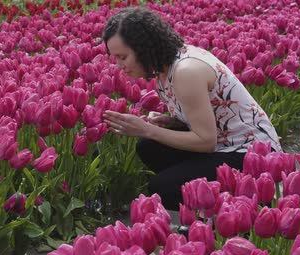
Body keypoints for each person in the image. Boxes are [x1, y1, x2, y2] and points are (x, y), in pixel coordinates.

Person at [102, 6, 282, 213]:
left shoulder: (186, 71)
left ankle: (243, 208)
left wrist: (145, 128)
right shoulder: (165, 66)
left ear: (143, 48)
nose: (118, 65)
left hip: (252, 155)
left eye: (123, 57)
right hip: (224, 144)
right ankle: (220, 210)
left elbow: (206, 141)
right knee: (149, 146)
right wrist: (173, 121)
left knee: (163, 187)